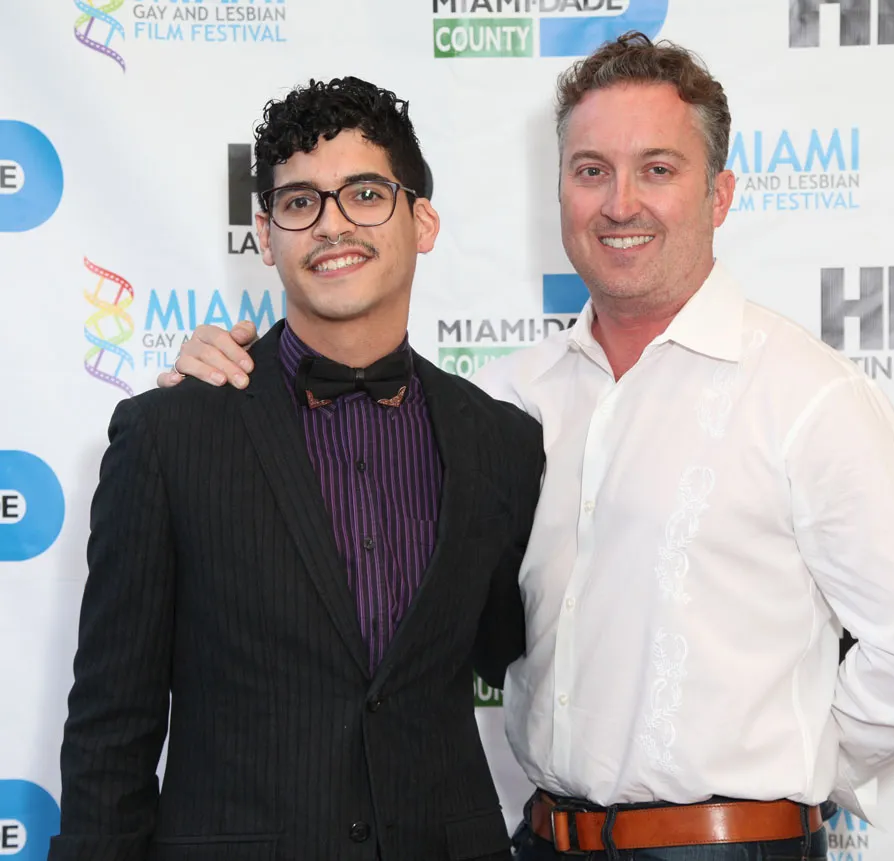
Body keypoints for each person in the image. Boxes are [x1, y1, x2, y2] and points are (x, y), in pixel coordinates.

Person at [161, 33, 894, 861]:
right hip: (541, 839)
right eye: (591, 170)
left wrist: (783, 767)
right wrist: (233, 388)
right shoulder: (506, 403)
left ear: (721, 193)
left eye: (657, 169)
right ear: (559, 189)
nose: (620, 203)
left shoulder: (807, 396)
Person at [52, 77, 544, 861]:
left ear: (422, 221)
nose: (332, 224)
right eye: (300, 202)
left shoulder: (502, 442)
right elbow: (111, 725)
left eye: (366, 194)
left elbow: (508, 650)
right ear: (264, 233)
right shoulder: (168, 436)